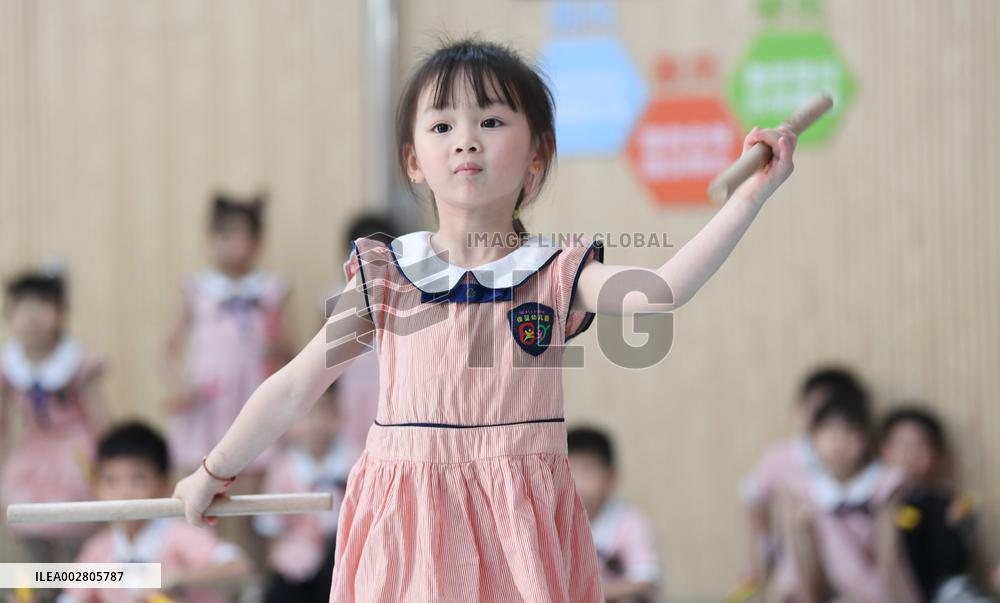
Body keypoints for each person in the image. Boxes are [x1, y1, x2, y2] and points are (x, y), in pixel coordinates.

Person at [173, 38, 799, 601]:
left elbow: (659, 292)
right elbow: (292, 388)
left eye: (492, 121)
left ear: (537, 154)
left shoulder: (556, 272)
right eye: (442, 125)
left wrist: (750, 196)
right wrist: (213, 471)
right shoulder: (387, 276)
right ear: (414, 160)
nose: (466, 138)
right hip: (407, 529)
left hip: (520, 533)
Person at [164, 192, 293, 473]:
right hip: (207, 395)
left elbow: (290, 351)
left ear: (257, 241)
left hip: (253, 394)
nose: (231, 243)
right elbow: (169, 350)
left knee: (252, 473)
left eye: (240, 235)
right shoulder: (197, 288)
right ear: (211, 238)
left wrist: (272, 350)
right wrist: (182, 384)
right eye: (224, 235)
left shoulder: (269, 289)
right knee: (203, 471)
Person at [59, 422, 252, 603]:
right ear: (97, 487)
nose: (123, 493)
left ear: (164, 484)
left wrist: (178, 577)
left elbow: (239, 568)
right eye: (110, 481)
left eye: (138, 480)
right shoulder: (98, 550)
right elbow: (71, 597)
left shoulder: (181, 536)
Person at [1, 268, 106, 563]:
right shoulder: (9, 364)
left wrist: (109, 464)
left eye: (43, 306)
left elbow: (101, 418)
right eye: (23, 307)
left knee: (78, 531)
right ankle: (46, 588)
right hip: (32, 452)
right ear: (10, 314)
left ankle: (75, 588)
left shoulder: (77, 362)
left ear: (61, 313)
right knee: (28, 525)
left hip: (76, 451)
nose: (33, 317)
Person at [740, 367, 866, 591]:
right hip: (798, 560)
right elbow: (753, 499)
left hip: (852, 561)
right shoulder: (781, 457)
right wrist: (756, 557)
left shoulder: (861, 459)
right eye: (811, 405)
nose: (816, 413)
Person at [253, 383, 355, 603]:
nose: (317, 424)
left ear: (339, 413)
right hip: (296, 565)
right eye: (307, 414)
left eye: (325, 411)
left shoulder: (356, 460)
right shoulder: (283, 468)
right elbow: (272, 529)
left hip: (346, 561)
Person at [568, 427, 661, 603]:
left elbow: (646, 580)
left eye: (587, 471)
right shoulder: (556, 522)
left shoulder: (630, 521)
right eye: (570, 472)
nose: (578, 483)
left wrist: (596, 592)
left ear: (610, 477)